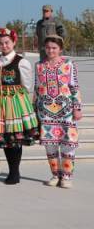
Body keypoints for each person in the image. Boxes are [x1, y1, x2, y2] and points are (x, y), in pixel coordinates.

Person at [0, 28, 40, 184]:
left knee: (15, 138)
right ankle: (12, 171)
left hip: (15, 101)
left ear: (13, 42)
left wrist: (18, 99)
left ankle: (14, 172)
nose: (4, 46)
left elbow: (27, 85)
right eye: (1, 43)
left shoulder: (21, 61)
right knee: (5, 138)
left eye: (7, 43)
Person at [34, 34, 82, 189]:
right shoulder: (39, 65)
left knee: (68, 144)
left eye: (54, 48)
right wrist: (34, 108)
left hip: (66, 110)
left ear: (60, 49)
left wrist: (77, 108)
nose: (50, 50)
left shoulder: (69, 64)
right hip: (46, 111)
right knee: (50, 145)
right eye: (48, 47)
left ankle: (67, 177)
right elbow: (37, 88)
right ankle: (55, 174)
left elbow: (74, 87)